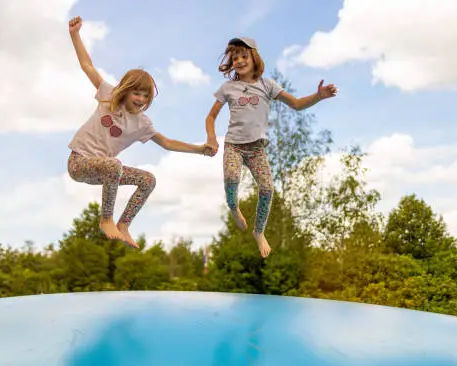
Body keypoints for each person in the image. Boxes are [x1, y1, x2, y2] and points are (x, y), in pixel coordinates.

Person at [67, 16, 215, 248]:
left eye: (146, 96)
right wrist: (75, 35)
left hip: (105, 172)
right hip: (79, 163)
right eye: (137, 94)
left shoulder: (143, 124)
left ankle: (124, 225)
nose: (141, 100)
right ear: (125, 90)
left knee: (148, 179)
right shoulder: (108, 94)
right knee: (114, 164)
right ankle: (106, 219)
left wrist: (199, 150)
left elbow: (166, 142)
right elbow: (87, 66)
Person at [205, 37, 338, 258]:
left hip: (257, 148)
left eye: (243, 56)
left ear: (254, 57)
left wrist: (318, 96)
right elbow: (211, 116)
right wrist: (211, 138)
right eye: (234, 57)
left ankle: (259, 232)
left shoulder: (267, 85)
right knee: (231, 177)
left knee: (267, 189)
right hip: (234, 146)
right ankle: (233, 206)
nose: (238, 61)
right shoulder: (228, 87)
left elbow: (295, 104)